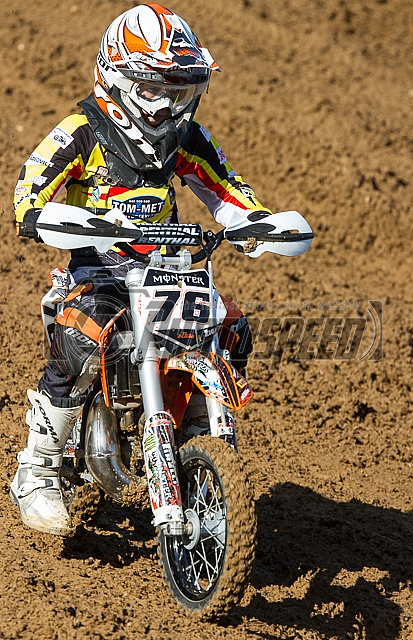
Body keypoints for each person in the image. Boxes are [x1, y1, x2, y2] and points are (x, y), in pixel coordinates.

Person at [10, 3, 272, 535]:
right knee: (83, 335)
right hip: (101, 269)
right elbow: (27, 192)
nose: (167, 104)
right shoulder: (83, 130)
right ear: (118, 79)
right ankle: (39, 468)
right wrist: (47, 217)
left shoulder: (185, 137)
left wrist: (257, 223)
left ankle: (197, 444)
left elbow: (227, 190)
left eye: (177, 90)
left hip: (168, 268)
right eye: (153, 88)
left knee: (229, 328)